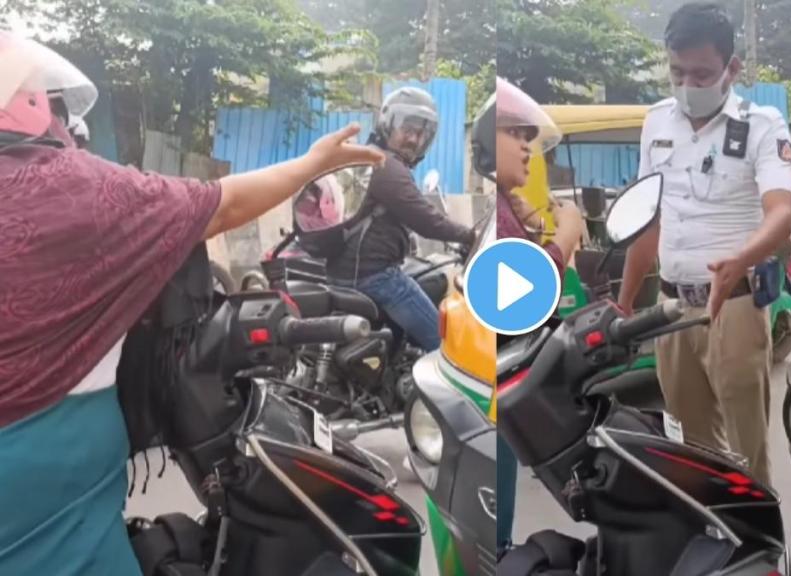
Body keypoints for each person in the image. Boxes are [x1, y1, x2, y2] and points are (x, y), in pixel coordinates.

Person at [0, 33, 384, 576]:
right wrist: (311, 163)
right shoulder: (65, 188)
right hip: (49, 497)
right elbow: (219, 205)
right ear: (33, 104)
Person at [617, 3, 791, 486]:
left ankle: (766, 549)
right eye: (677, 73)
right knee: (690, 448)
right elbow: (648, 218)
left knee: (746, 449)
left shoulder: (761, 126)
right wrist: (627, 299)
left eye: (702, 74)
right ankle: (712, 540)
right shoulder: (656, 123)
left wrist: (741, 260)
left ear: (731, 70)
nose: (688, 86)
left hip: (734, 308)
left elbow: (781, 211)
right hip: (671, 309)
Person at [471, 76, 585, 554]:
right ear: (486, 142)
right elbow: (523, 297)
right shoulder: (500, 215)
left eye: (529, 138)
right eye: (515, 134)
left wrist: (533, 227)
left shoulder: (504, 210)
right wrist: (567, 236)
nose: (526, 147)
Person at [326, 86, 476, 352]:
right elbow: (426, 220)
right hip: (375, 276)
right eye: (408, 129)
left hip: (342, 272)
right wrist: (470, 235)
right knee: (447, 346)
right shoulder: (386, 166)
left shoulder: (365, 156)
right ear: (388, 125)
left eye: (421, 134)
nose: (414, 139)